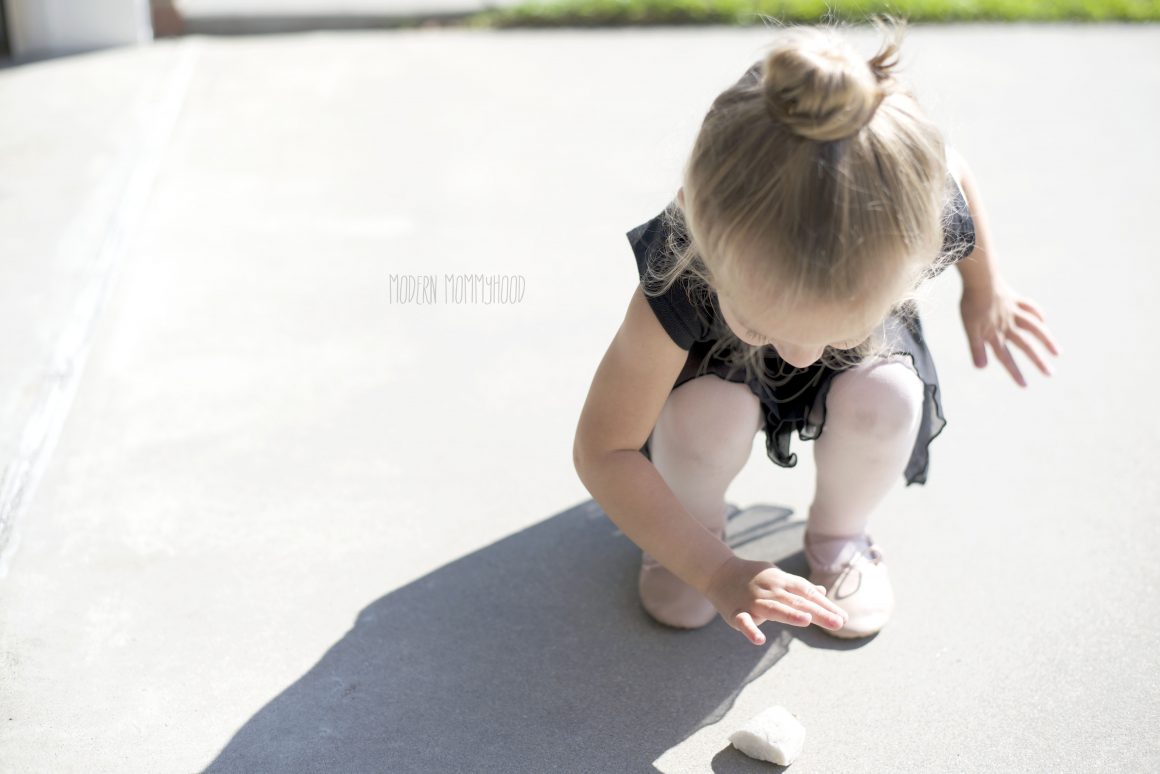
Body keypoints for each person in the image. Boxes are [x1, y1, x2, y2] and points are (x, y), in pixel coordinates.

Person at [572, 17, 1061, 644]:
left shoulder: (907, 204)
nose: (801, 356)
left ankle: (840, 536)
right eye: (760, 323)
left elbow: (953, 169)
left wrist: (985, 288)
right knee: (707, 418)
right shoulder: (680, 269)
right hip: (717, 377)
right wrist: (713, 569)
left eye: (841, 329)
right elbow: (603, 450)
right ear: (697, 226)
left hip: (858, 376)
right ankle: (686, 538)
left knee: (888, 397)